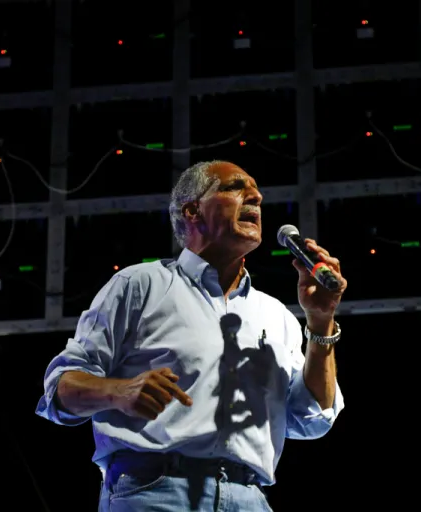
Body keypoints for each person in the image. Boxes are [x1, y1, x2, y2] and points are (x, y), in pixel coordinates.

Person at [35, 160, 346, 511]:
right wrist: (118, 391)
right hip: (153, 492)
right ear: (192, 210)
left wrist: (320, 322)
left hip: (249, 498)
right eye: (235, 188)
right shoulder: (140, 285)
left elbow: (312, 417)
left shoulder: (276, 314)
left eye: (256, 191)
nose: (256, 197)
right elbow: (58, 391)